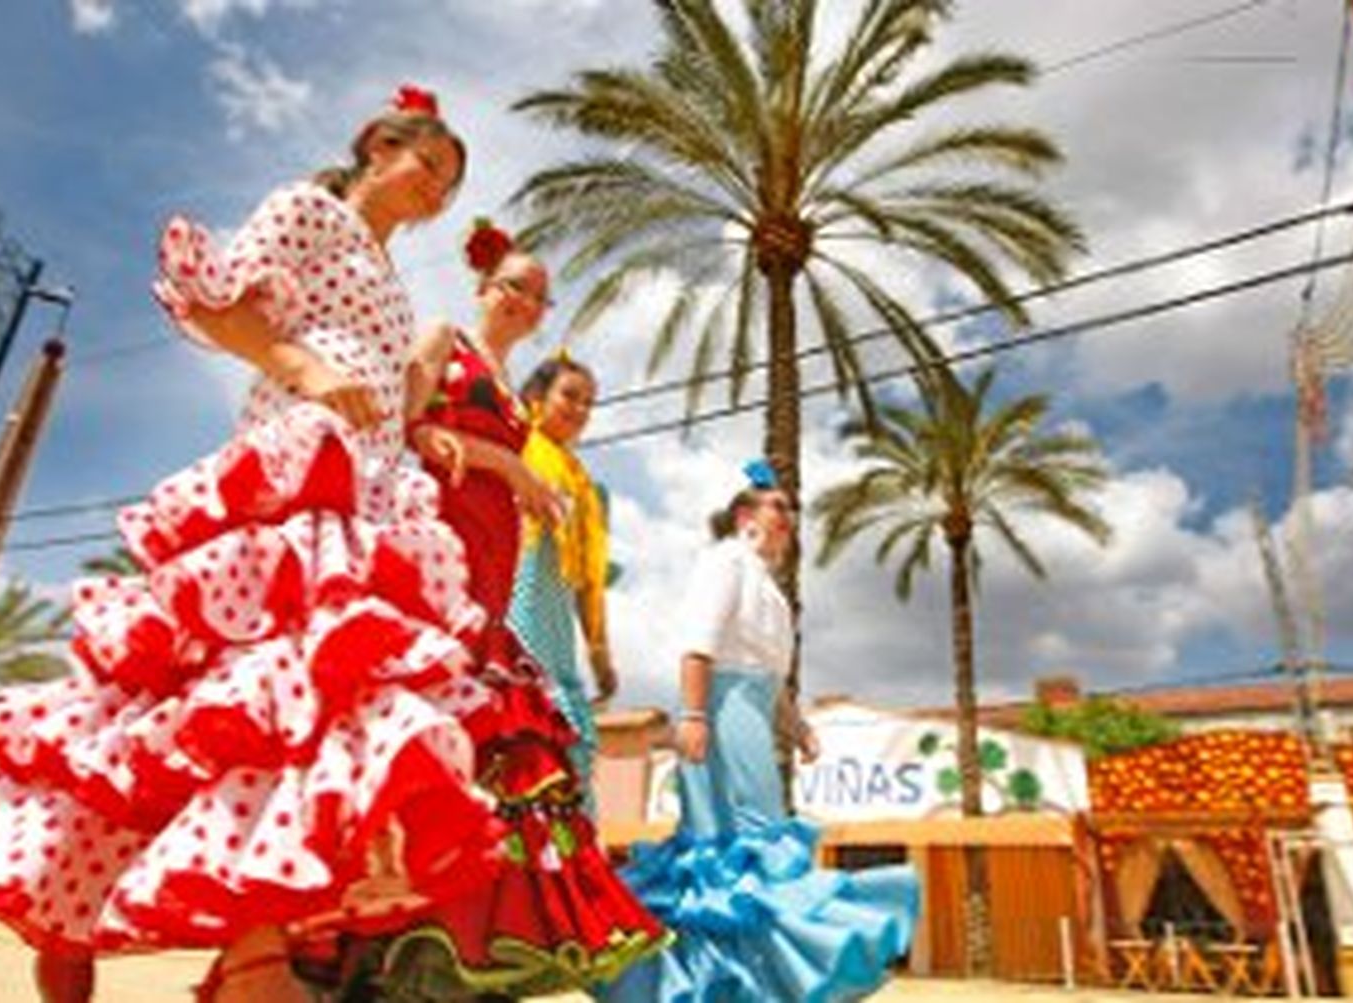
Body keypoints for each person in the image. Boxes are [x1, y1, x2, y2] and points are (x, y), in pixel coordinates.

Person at [0, 85, 504, 1003]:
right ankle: (131, 916)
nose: (437, 194)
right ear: (379, 145)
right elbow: (212, 305)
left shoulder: (389, 274)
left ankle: (205, 937)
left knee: (311, 717)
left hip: (370, 494)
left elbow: (394, 394)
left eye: (451, 187)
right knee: (220, 700)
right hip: (295, 469)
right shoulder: (308, 210)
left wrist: (436, 430)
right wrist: (303, 366)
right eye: (431, 167)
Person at [293, 219, 663, 1001]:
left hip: (496, 565)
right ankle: (378, 939)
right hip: (441, 545)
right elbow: (405, 426)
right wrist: (499, 462)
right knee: (433, 718)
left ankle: (472, 939)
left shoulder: (520, 396)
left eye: (540, 296)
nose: (529, 302)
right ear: (485, 288)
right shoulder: (444, 337)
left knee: (501, 738)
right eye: (517, 287)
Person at [601, 464, 920, 1003]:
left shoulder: (769, 588)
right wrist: (696, 717)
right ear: (745, 515)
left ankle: (745, 985)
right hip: (719, 713)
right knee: (729, 847)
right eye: (778, 507)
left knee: (755, 846)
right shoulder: (725, 560)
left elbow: (772, 681)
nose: (788, 519)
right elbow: (698, 645)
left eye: (791, 512)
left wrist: (798, 730)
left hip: (751, 713)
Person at [506, 350, 616, 813]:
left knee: (570, 735)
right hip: (515, 612)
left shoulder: (587, 488)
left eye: (588, 403)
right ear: (535, 397)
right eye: (569, 396)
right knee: (522, 727)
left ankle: (573, 864)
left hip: (559, 632)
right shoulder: (514, 453)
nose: (579, 410)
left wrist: (599, 650)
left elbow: (590, 578)